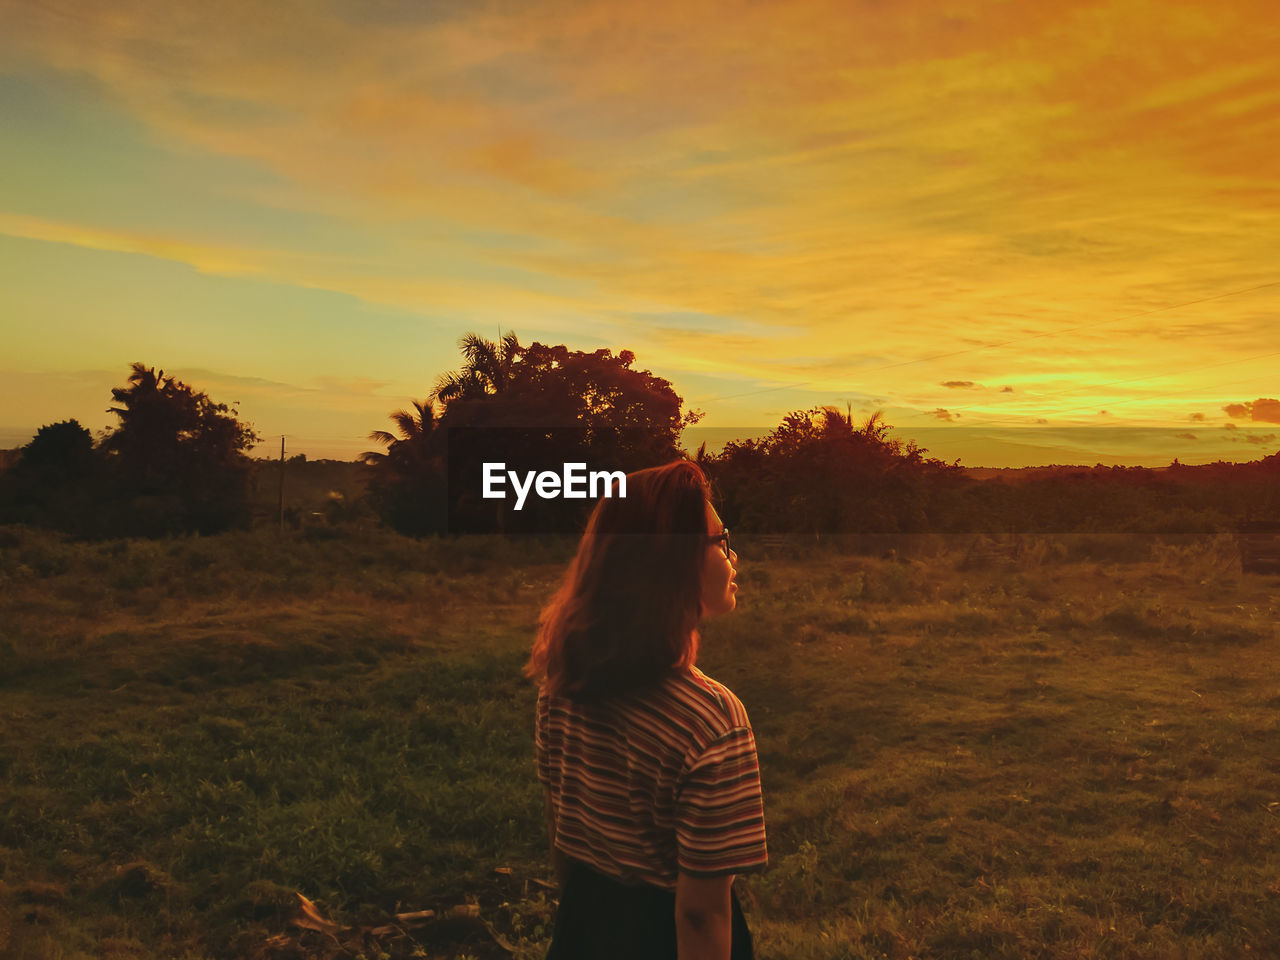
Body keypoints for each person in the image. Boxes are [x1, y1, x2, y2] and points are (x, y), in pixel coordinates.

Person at [526, 459, 767, 960]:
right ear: (671, 563)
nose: (733, 554)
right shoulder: (712, 720)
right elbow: (701, 913)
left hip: (583, 924)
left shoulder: (563, 681)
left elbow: (562, 832)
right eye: (720, 541)